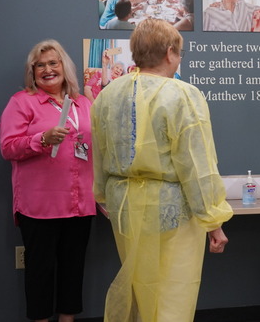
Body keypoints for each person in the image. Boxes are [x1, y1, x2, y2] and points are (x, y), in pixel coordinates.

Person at [91, 19, 233, 322]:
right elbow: (197, 165)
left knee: (141, 290)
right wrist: (214, 221)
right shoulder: (182, 94)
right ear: (170, 52)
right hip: (171, 211)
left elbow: (99, 153)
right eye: (179, 53)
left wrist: (104, 196)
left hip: (124, 208)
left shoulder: (107, 94)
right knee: (172, 296)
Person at [0, 40, 95, 322]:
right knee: (40, 271)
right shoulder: (22, 102)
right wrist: (41, 139)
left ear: (65, 67)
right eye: (40, 65)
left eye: (53, 63)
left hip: (80, 202)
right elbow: (8, 147)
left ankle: (67, 319)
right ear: (33, 72)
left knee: (73, 267)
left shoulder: (83, 102)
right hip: (40, 205)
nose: (47, 69)